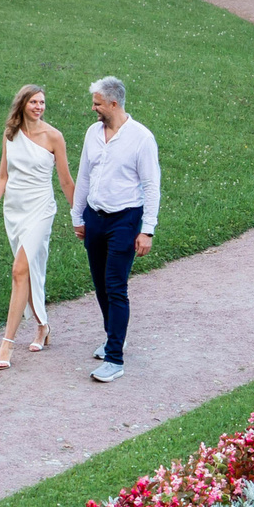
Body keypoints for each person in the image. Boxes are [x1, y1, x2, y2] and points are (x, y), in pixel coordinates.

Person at [0, 84, 75, 371]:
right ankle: (43, 326)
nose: (39, 107)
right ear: (22, 104)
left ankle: (7, 343)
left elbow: (66, 181)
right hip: (14, 210)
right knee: (28, 271)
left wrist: (79, 215)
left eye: (42, 102)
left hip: (41, 209)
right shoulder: (11, 135)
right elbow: (2, 176)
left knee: (19, 270)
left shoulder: (54, 136)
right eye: (33, 102)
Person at [70, 75, 159, 383]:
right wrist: (77, 215)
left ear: (113, 103)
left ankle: (114, 360)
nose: (93, 108)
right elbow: (84, 176)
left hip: (125, 219)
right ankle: (114, 336)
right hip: (95, 217)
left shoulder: (141, 138)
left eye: (97, 103)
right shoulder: (93, 134)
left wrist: (147, 230)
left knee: (115, 285)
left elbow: (151, 186)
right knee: (99, 284)